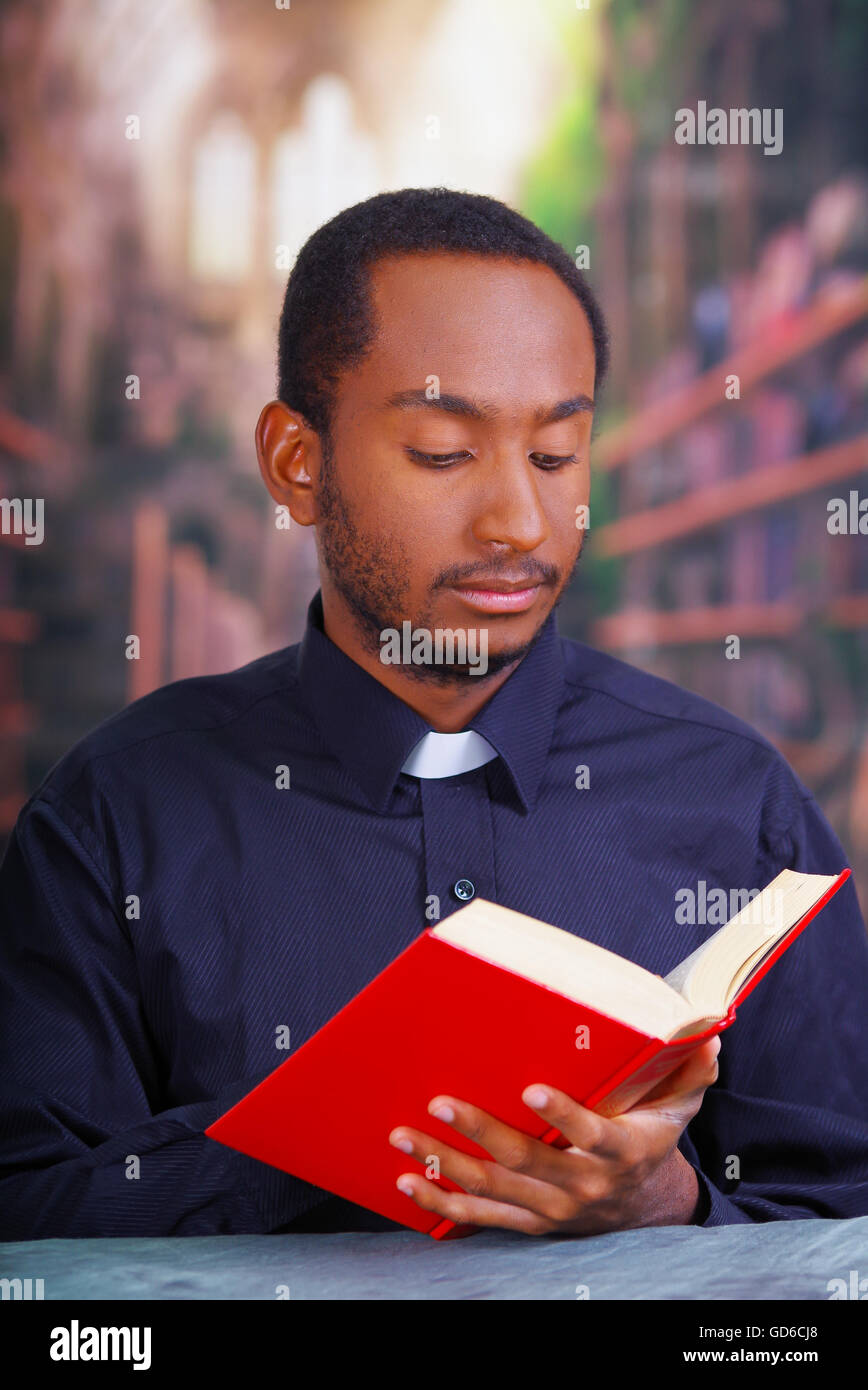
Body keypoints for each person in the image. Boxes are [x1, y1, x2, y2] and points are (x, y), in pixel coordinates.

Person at [1, 188, 866, 1239]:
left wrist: (669, 1200)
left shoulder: (740, 807)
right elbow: (29, 1224)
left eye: (555, 454)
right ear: (296, 462)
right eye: (444, 452)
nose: (517, 521)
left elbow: (837, 1233)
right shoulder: (115, 817)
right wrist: (339, 1138)